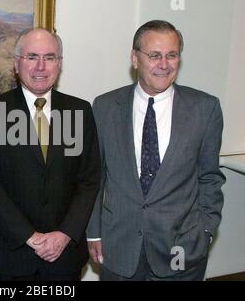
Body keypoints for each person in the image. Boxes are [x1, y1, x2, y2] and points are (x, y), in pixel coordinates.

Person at [87, 20, 225, 281]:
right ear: (134, 58)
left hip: (181, 251)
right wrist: (94, 232)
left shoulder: (205, 108)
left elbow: (209, 177)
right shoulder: (105, 107)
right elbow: (96, 176)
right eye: (154, 55)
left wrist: (205, 231)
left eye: (172, 55)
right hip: (118, 247)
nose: (164, 64)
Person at [0, 28, 101, 281]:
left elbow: (89, 180)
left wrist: (64, 234)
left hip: (64, 256)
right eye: (32, 57)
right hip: (11, 255)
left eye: (50, 57)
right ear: (16, 63)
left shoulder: (80, 110)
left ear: (60, 64)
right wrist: (29, 237)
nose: (41, 67)